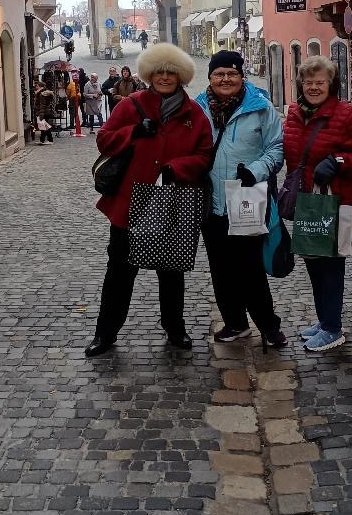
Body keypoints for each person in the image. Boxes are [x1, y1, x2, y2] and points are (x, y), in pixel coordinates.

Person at [86, 43, 213, 357]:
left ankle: (175, 327)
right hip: (130, 203)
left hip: (173, 202)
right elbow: (104, 139)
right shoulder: (131, 105)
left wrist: (177, 168)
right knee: (120, 271)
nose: (165, 77)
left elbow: (204, 155)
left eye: (171, 72)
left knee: (171, 270)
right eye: (159, 72)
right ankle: (105, 332)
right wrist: (133, 132)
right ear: (150, 74)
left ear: (181, 76)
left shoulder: (193, 113)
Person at [283, 56, 352, 353]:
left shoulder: (347, 115)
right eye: (308, 82)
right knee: (313, 263)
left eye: (320, 82)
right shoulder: (294, 114)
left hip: (335, 203)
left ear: (331, 84)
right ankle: (324, 319)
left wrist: (339, 161)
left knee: (332, 266)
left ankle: (333, 328)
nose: (313, 87)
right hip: (307, 202)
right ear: (301, 83)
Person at [195, 50, 288, 350]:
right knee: (220, 268)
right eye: (219, 74)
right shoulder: (198, 107)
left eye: (232, 73)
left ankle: (269, 326)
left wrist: (255, 171)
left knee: (250, 267)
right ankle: (235, 323)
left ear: (241, 76)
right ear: (210, 77)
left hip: (247, 197)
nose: (225, 79)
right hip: (211, 200)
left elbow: (276, 148)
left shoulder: (261, 107)